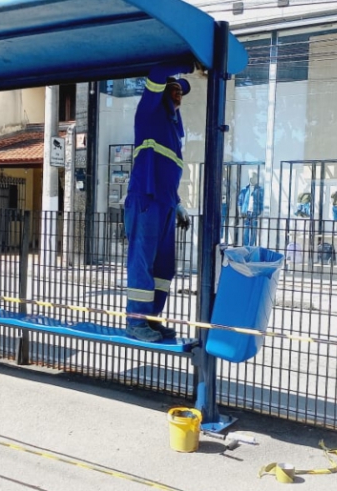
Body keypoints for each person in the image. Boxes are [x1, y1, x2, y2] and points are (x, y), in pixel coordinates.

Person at [124, 62, 195, 343]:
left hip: (165, 203)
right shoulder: (149, 114)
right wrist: (185, 65)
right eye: (173, 90)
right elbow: (155, 74)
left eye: (181, 92)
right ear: (162, 92)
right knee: (142, 263)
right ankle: (136, 322)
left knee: (164, 268)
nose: (178, 95)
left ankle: (151, 321)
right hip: (146, 198)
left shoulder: (173, 132)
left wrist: (177, 203)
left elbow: (169, 174)